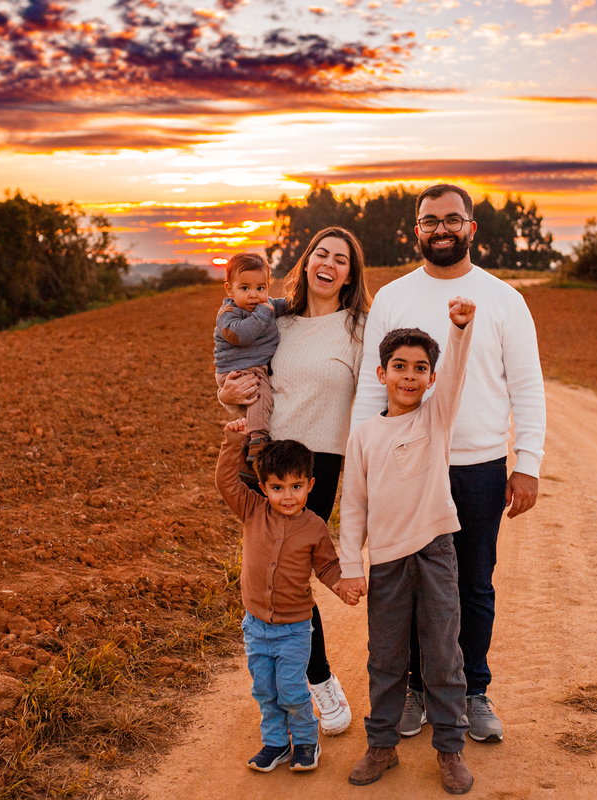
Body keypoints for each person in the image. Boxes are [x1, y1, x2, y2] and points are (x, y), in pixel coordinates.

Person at [350, 184, 547, 744]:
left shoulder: (504, 299)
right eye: (430, 220)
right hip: (403, 465)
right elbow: (372, 380)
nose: (441, 228)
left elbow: (528, 387)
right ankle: (414, 691)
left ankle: (471, 692)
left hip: (478, 466)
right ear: (417, 229)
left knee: (473, 585)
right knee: (407, 584)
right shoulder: (392, 296)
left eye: (452, 219)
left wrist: (526, 463)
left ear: (471, 229)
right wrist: (363, 457)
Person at [217, 227, 373, 736]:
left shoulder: (361, 327)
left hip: (320, 464)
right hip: (267, 459)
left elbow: (383, 393)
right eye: (320, 254)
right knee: (274, 574)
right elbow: (243, 372)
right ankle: (312, 681)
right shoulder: (276, 319)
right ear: (306, 263)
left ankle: (319, 682)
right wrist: (227, 397)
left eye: (341, 260)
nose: (329, 264)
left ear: (351, 274)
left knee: (295, 573)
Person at [339, 297, 477, 795]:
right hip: (389, 561)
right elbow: (353, 506)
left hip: (436, 551)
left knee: (442, 652)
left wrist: (458, 330)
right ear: (382, 373)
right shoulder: (364, 436)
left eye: (421, 369)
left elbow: (457, 372)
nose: (410, 376)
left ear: (432, 379)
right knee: (387, 655)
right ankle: (382, 745)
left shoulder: (436, 419)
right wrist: (351, 566)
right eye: (400, 367)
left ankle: (450, 749)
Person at [215, 421, 348, 772]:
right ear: (263, 487)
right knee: (265, 690)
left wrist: (342, 587)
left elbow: (328, 567)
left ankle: (305, 741)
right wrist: (232, 443)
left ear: (310, 485)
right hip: (256, 626)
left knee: (290, 689)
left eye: (296, 486)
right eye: (277, 487)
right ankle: (275, 743)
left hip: (294, 629)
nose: (287, 496)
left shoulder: (315, 527)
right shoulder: (253, 510)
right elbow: (226, 483)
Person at [213, 252, 289, 470]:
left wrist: (301, 302)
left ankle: (248, 453)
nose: (254, 295)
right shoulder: (228, 314)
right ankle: (258, 439)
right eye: (244, 288)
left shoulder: (266, 305)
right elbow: (242, 335)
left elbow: (286, 305)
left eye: (260, 288)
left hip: (252, 366)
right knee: (259, 393)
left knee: (256, 404)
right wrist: (264, 313)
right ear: (230, 289)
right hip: (236, 369)